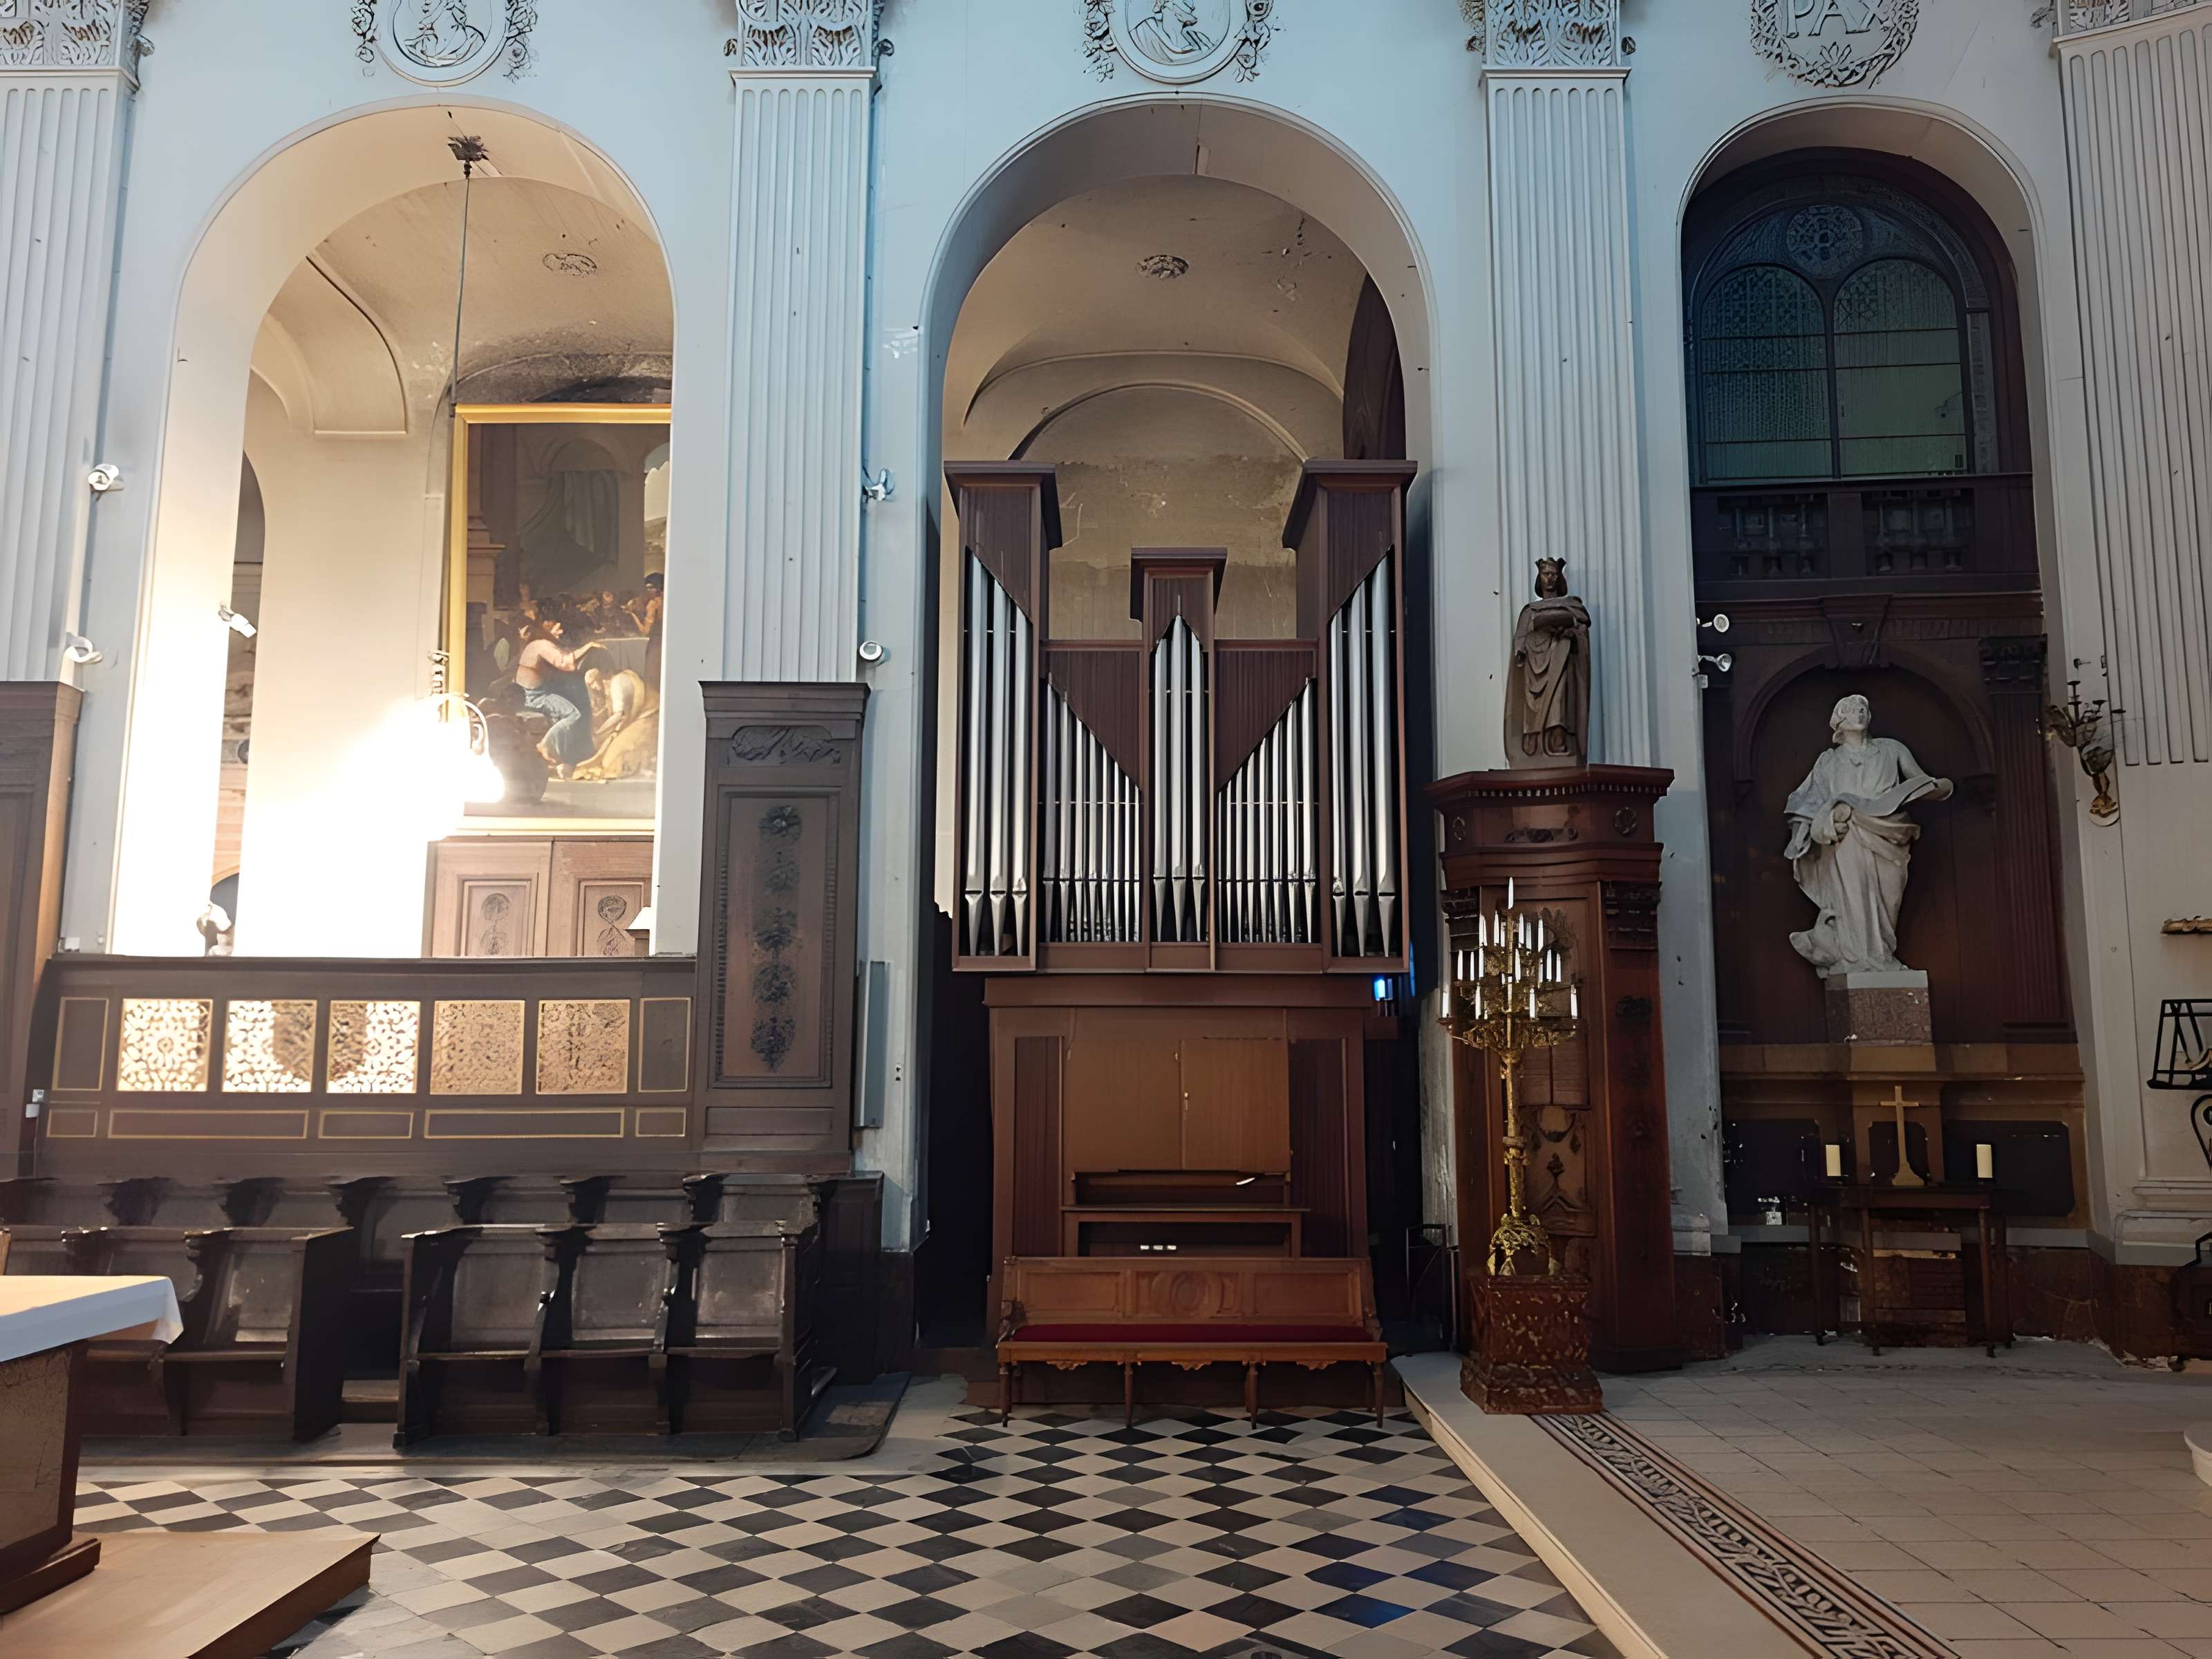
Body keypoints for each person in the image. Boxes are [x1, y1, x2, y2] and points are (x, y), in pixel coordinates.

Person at [1782, 694, 1954, 976]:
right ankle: (1856, 958)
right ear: (1838, 721)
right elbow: (1808, 802)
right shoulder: (1829, 762)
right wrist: (1802, 833)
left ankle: (1882, 953)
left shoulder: (1891, 749)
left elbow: (1920, 779)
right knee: (1853, 897)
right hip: (1847, 835)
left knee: (1889, 898)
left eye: (1863, 709)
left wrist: (1936, 788)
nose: (1859, 714)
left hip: (1889, 832)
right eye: (1850, 710)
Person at [1503, 558, 1592, 767]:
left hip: (1560, 659)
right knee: (1532, 705)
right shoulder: (1530, 610)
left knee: (1559, 698)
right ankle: (1533, 740)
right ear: (1540, 578)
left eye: (1554, 574)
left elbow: (1581, 629)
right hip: (1534, 663)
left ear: (1559, 578)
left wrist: (1571, 632)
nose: (1550, 578)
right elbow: (1521, 636)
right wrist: (1520, 651)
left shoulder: (1572, 606)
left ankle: (1557, 738)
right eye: (1546, 574)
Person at [514, 616, 605, 780]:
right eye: (556, 628)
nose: (560, 632)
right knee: (573, 715)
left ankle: (560, 758)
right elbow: (565, 663)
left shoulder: (535, 644)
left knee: (563, 712)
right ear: (545, 629)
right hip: (534, 697)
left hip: (530, 693)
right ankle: (545, 747)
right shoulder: (542, 644)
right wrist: (589, 646)